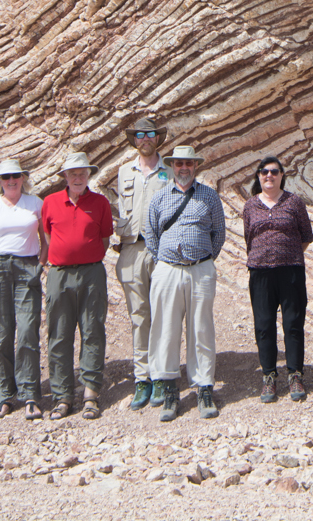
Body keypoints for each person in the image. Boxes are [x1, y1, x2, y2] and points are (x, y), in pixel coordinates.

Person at [144, 144, 226, 421]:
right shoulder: (159, 197)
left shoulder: (209, 196)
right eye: (178, 163)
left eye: (188, 164)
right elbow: (151, 235)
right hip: (167, 270)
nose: (183, 168)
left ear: (196, 166)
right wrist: (165, 260)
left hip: (200, 269)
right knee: (164, 330)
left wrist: (203, 259)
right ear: (172, 166)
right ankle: (169, 391)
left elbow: (219, 234)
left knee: (201, 329)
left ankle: (204, 388)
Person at [38, 151, 114, 420]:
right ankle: (62, 396)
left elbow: (104, 239)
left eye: (83, 173)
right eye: (73, 173)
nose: (78, 177)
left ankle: (91, 394)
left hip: (92, 273)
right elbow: (47, 237)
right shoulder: (50, 202)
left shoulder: (100, 202)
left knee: (93, 329)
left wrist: (85, 256)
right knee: (59, 333)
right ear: (65, 177)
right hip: (59, 274)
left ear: (89, 175)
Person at [0, 158, 45, 421]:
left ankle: (29, 394)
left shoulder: (35, 203)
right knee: (0, 333)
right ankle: (3, 395)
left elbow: (44, 239)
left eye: (16, 176)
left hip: (27, 267)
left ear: (23, 178)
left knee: (27, 329)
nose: (11, 181)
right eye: (6, 177)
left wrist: (41, 265)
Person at [243, 157, 313, 403]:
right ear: (258, 176)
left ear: (282, 175)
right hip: (260, 272)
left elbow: (306, 235)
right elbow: (249, 238)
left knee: (293, 323)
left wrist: (288, 253)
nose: (269, 176)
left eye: (274, 171)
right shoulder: (250, 205)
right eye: (264, 172)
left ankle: (295, 374)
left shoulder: (294, 202)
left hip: (291, 270)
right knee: (264, 325)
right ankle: (269, 377)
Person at [114, 117, 171, 410]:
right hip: (131, 251)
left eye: (150, 134)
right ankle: (141, 379)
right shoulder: (124, 172)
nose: (145, 138)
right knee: (139, 316)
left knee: (161, 315)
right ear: (134, 139)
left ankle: (161, 376)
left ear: (157, 138)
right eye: (140, 134)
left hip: (161, 251)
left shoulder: (170, 172)